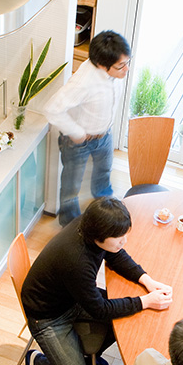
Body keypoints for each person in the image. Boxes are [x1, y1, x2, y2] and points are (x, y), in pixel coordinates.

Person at [20, 196, 172, 365]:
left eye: (124, 235)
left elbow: (115, 254)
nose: (123, 242)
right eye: (119, 238)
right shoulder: (77, 262)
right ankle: (35, 362)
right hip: (47, 316)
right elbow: (99, 309)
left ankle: (84, 357)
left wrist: (146, 280)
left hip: (72, 297)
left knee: (123, 320)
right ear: (98, 236)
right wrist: (145, 301)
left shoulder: (89, 225)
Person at [44, 30, 131, 226]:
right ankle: (71, 228)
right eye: (121, 66)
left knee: (103, 179)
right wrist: (77, 133)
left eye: (128, 62)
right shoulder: (83, 82)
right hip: (79, 142)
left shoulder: (114, 73)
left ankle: (107, 219)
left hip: (104, 135)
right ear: (102, 65)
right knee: (71, 189)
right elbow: (51, 109)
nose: (126, 70)